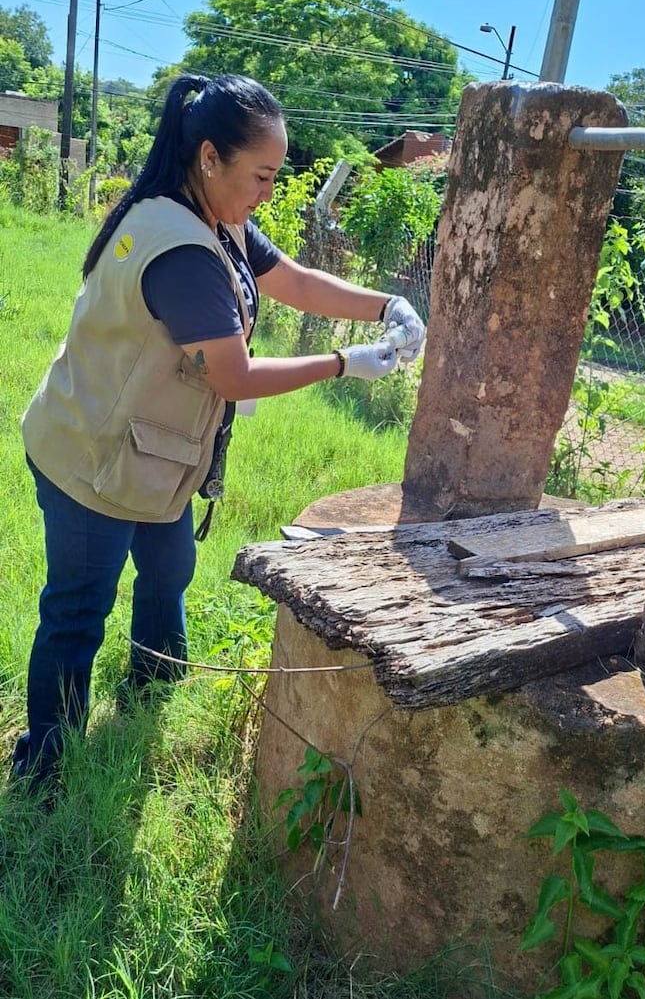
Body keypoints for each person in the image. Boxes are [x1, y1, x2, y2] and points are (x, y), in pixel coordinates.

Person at [13, 72, 425, 791]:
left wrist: (387, 303)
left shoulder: (214, 217)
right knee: (76, 612)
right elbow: (232, 376)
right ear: (210, 156)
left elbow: (292, 279)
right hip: (91, 458)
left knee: (169, 568)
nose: (269, 190)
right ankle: (45, 771)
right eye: (262, 174)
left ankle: (153, 681)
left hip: (149, 456)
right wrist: (341, 363)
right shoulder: (182, 251)